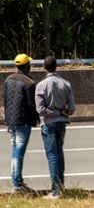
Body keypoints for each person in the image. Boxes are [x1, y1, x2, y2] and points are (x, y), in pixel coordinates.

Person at [35, 56, 76, 200]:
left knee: (52, 155)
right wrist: (62, 112)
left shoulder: (41, 85)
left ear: (44, 68)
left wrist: (55, 112)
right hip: (62, 122)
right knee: (59, 153)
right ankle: (61, 185)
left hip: (48, 123)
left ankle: (55, 190)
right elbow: (72, 108)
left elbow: (40, 109)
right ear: (56, 67)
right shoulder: (65, 83)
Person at [4, 54, 39, 194]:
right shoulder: (29, 82)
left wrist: (7, 118)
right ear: (26, 66)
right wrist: (36, 118)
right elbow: (31, 104)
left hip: (11, 120)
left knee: (14, 149)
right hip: (23, 121)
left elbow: (5, 100)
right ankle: (17, 183)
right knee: (19, 151)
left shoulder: (8, 80)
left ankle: (16, 179)